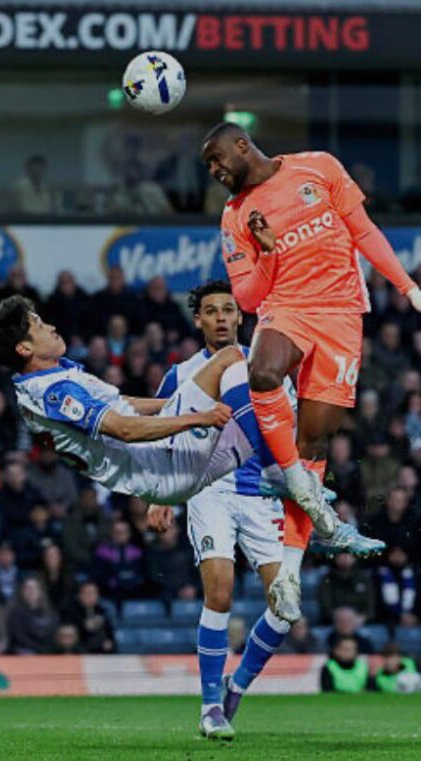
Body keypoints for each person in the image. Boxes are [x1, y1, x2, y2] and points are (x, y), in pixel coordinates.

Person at [201, 122, 421, 623]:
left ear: (241, 145)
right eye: (208, 169)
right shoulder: (234, 218)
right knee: (264, 373)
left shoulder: (319, 167)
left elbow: (365, 232)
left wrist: (411, 291)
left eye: (216, 161)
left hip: (341, 315)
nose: (214, 173)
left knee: (314, 443)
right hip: (287, 309)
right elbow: (249, 300)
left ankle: (289, 575)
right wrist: (269, 251)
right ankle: (300, 487)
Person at [0, 297, 373, 559]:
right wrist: (196, 416)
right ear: (24, 349)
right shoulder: (52, 392)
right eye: (38, 325)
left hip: (167, 466)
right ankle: (284, 479)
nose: (50, 326)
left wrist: (181, 406)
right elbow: (125, 429)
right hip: (160, 467)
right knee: (231, 360)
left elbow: (125, 406)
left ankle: (315, 527)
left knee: (260, 405)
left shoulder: (51, 378)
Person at [146, 281, 291, 741]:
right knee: (221, 592)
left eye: (229, 310)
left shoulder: (265, 367)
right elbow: (161, 431)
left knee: (286, 607)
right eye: (212, 311)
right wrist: (159, 494)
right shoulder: (182, 374)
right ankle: (210, 706)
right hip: (208, 489)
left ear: (241, 317)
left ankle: (236, 687)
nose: (222, 318)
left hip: (261, 492)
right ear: (199, 321)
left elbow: (285, 428)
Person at [7, 575, 58, 655]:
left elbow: (53, 631)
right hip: (25, 651)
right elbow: (19, 636)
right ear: (22, 592)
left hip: (47, 650)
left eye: (34, 588)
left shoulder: (50, 612)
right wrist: (38, 648)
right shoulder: (16, 612)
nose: (31, 591)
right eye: (28, 588)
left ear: (40, 591)